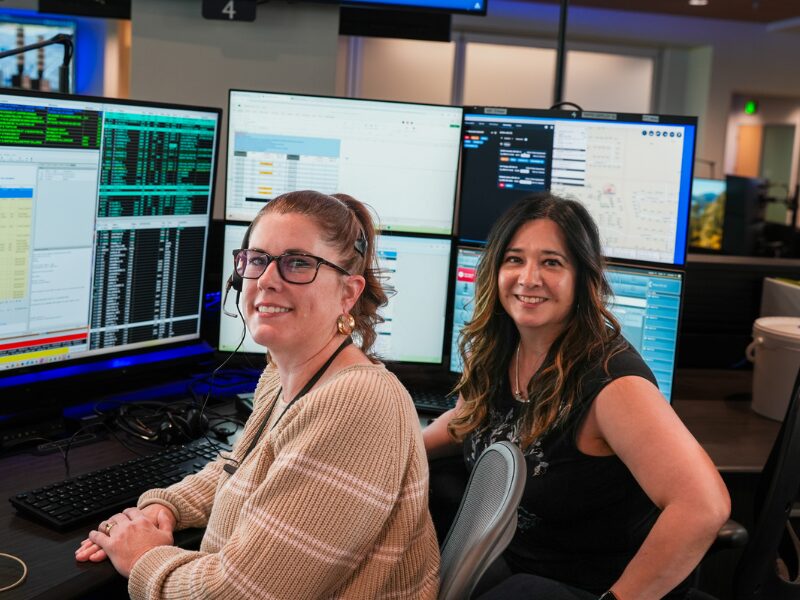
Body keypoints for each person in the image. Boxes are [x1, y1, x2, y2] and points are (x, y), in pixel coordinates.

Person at [76, 190, 440, 599]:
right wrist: (166, 507)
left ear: (348, 293)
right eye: (256, 260)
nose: (266, 279)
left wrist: (144, 556)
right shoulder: (285, 373)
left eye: (298, 262)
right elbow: (241, 468)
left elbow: (240, 595)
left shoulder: (358, 402)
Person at [424, 193, 730, 600]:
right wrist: (387, 455)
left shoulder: (612, 382)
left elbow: (704, 506)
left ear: (584, 279)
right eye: (515, 259)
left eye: (551, 262)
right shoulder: (504, 349)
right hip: (522, 561)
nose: (528, 278)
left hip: (591, 584)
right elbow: (467, 424)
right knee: (430, 490)